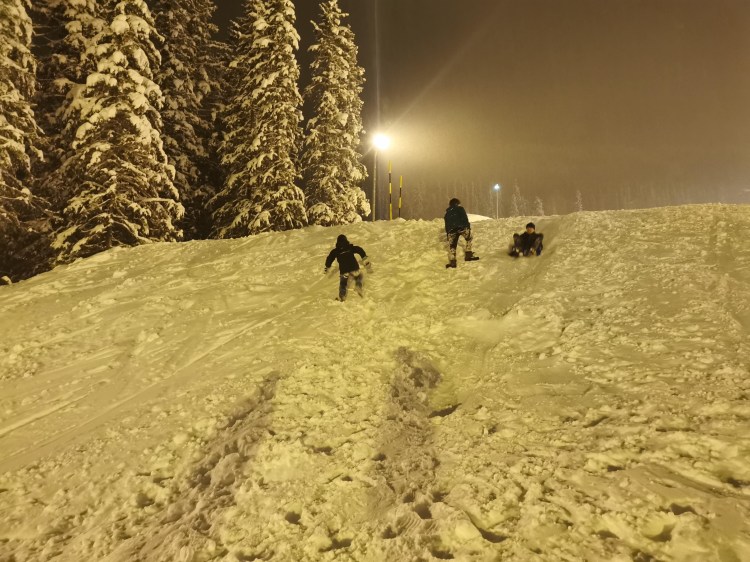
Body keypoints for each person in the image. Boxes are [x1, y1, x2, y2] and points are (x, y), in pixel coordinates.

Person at [324, 234, 371, 301]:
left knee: (343, 284)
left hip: (344, 271)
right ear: (346, 240)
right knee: (359, 276)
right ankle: (358, 286)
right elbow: (359, 249)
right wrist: (364, 257)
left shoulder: (335, 251)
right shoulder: (349, 247)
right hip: (354, 267)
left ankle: (342, 296)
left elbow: (329, 258)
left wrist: (327, 266)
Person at [443, 198, 479, 268]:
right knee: (469, 238)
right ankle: (468, 255)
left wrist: (448, 234)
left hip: (451, 231)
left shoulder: (447, 213)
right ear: (457, 203)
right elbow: (465, 218)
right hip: (462, 228)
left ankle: (453, 262)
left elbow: (446, 224)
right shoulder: (460, 208)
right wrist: (468, 227)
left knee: (452, 246)